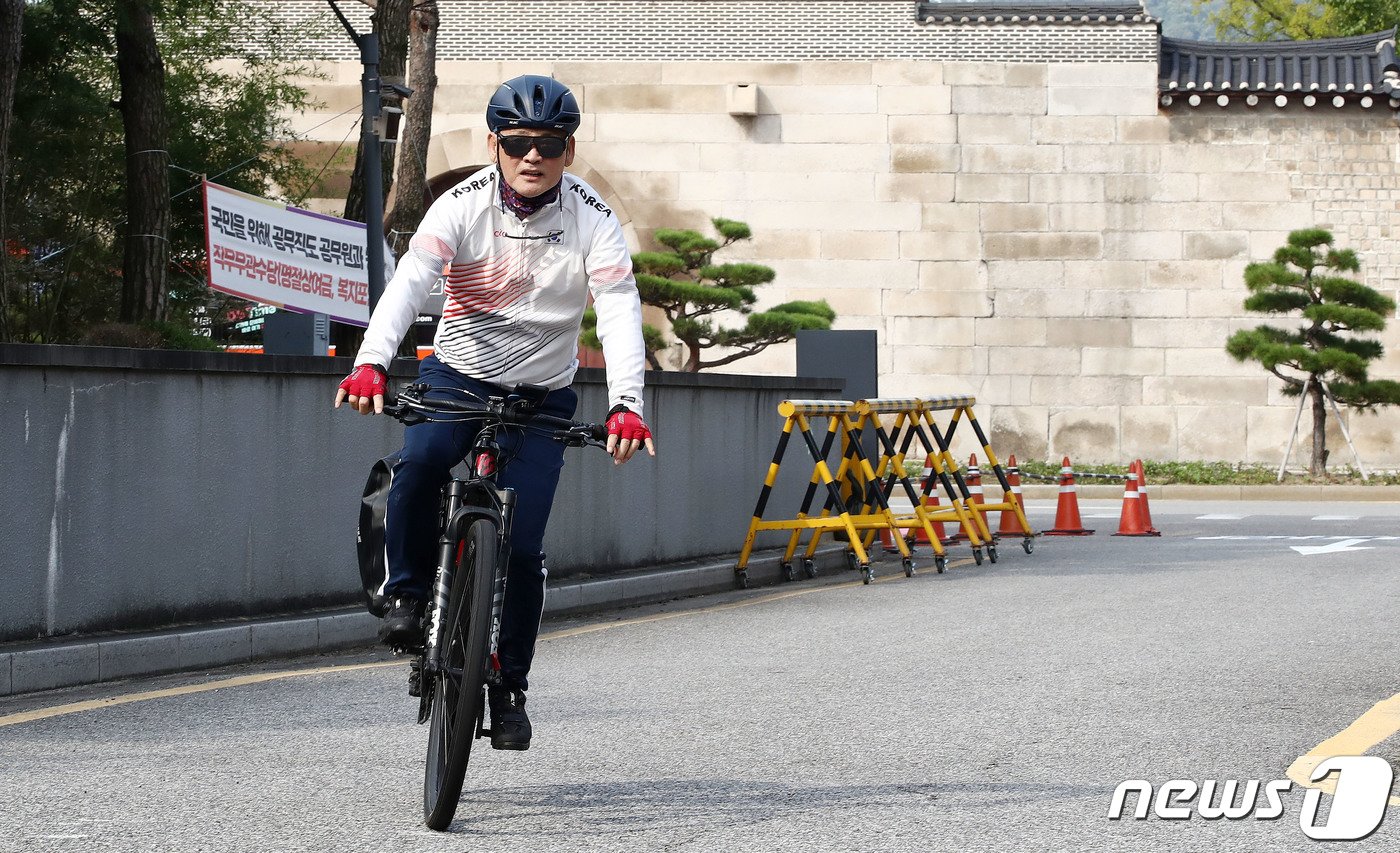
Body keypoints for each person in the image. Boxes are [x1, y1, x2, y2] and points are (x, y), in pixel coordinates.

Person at [334, 75, 655, 751]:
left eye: (547, 144)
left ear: (567, 151)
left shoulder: (593, 220)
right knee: (420, 462)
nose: (531, 157)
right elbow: (410, 284)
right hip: (458, 374)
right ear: (494, 145)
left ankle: (508, 684)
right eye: (516, 144)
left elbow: (621, 311)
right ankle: (408, 595)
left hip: (541, 393)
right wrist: (371, 361)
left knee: (527, 546)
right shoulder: (460, 206)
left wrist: (627, 404)